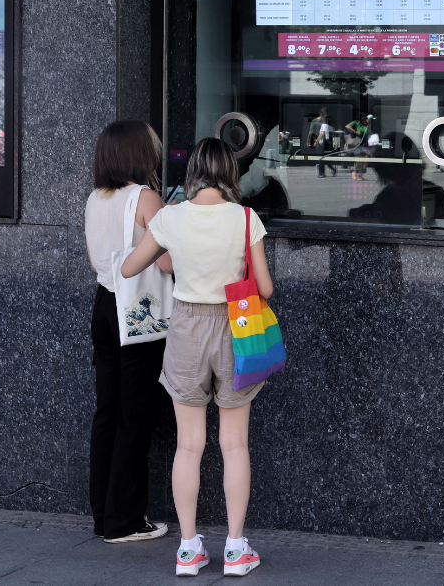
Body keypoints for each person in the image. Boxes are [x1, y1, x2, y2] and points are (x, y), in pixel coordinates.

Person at [121, 137, 273, 579]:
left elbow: (131, 268)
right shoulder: (246, 218)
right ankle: (236, 549)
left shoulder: (170, 217)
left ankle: (188, 550)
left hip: (186, 327)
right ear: (230, 171)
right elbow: (264, 289)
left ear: (192, 173)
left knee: (189, 445)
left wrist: (176, 249)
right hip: (236, 326)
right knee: (234, 444)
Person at [84, 120, 174, 543]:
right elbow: (168, 262)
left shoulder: (95, 198)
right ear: (141, 153)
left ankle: (103, 515)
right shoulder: (146, 197)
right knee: (134, 416)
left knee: (107, 412)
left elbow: (96, 263)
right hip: (138, 312)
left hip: (104, 304)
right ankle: (125, 521)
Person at [344, 112, 375, 181]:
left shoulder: (365, 125)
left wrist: (368, 125)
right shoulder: (356, 122)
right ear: (360, 118)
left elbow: (370, 133)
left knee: (364, 161)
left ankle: (360, 175)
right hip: (357, 144)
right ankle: (354, 172)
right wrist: (355, 131)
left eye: (365, 117)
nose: (365, 118)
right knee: (359, 161)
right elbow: (347, 126)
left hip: (364, 144)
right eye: (363, 117)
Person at [308, 108, 335, 178]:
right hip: (321, 141)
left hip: (323, 141)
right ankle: (322, 172)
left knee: (323, 157)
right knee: (321, 157)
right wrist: (309, 140)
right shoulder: (315, 121)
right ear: (320, 114)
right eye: (324, 114)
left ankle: (324, 171)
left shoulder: (327, 121)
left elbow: (326, 132)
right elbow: (311, 131)